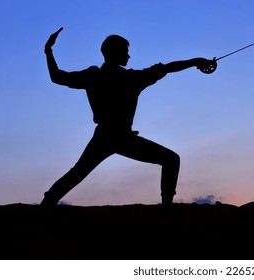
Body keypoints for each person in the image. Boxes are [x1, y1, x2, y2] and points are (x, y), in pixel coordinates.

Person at [40, 27, 215, 206]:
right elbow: (168, 68)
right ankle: (167, 208)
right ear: (114, 53)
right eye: (125, 52)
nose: (129, 56)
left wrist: (48, 51)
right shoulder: (132, 78)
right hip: (120, 137)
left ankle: (47, 203)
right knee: (171, 160)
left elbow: (57, 77)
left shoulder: (94, 76)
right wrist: (195, 61)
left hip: (104, 136)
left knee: (77, 173)